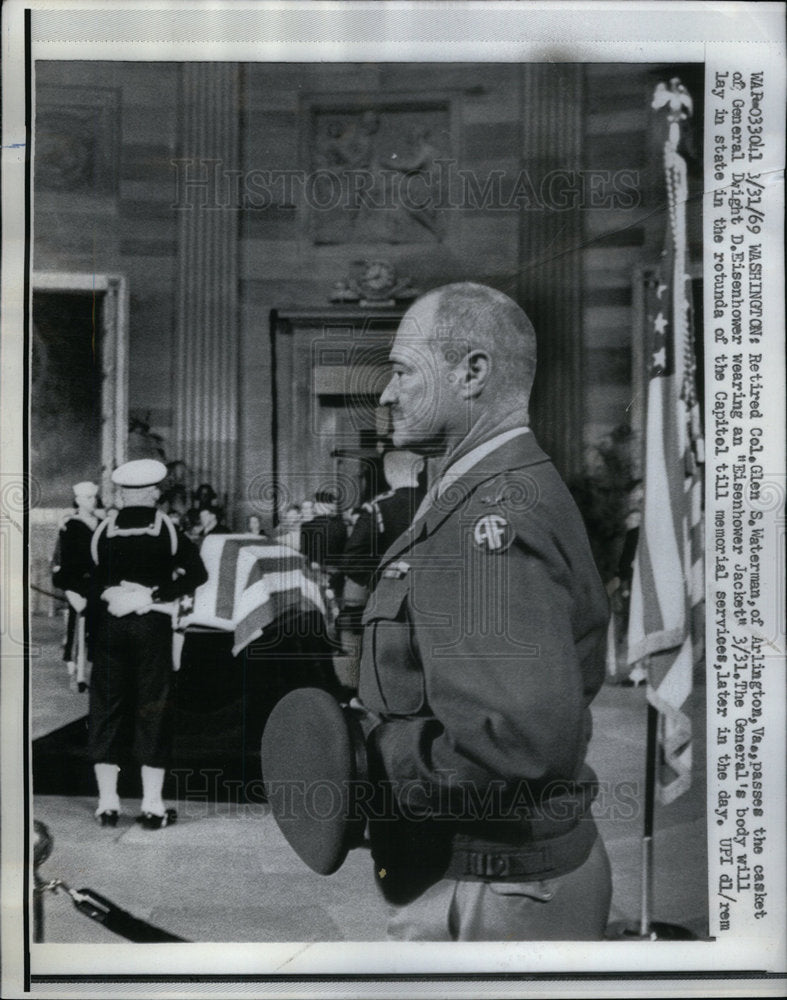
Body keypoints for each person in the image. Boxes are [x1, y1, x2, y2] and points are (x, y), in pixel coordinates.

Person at [351, 282, 612, 940]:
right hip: (489, 874)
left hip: (495, 887)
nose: (386, 395)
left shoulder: (488, 518)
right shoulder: (485, 492)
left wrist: (373, 753)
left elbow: (514, 746)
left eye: (404, 371)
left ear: (471, 373)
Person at [87, 458, 208, 829]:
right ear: (153, 493)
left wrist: (109, 594)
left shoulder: (103, 529)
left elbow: (84, 576)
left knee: (106, 708)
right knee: (152, 708)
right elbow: (198, 574)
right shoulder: (167, 529)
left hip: (109, 628)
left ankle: (107, 804)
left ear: (122, 494)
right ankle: (152, 806)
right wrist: (153, 593)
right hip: (151, 626)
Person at [336, 450, 424, 690]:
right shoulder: (437, 502)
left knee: (392, 677)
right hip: (434, 600)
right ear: (420, 468)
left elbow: (352, 560)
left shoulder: (378, 508)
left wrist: (383, 583)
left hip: (391, 606)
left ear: (388, 473)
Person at [51, 480, 103, 692]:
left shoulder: (101, 525)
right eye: (88, 498)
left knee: (97, 627)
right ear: (78, 500)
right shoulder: (70, 526)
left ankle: (93, 671)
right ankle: (76, 674)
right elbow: (63, 560)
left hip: (99, 584)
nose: (92, 501)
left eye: (94, 497)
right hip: (78, 584)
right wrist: (70, 589)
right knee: (77, 626)